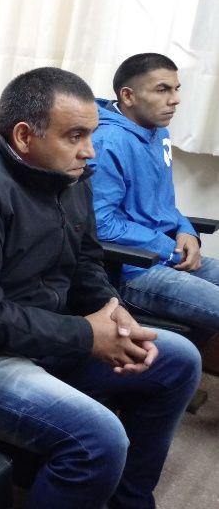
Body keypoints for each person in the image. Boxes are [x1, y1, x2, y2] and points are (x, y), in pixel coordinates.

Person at [0, 67, 201, 509]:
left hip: (46, 338)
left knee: (179, 362)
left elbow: (86, 262)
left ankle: (129, 501)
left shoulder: (71, 179)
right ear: (24, 136)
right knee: (99, 438)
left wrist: (112, 309)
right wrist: (85, 335)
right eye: (75, 136)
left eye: (91, 134)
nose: (90, 150)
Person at [89, 52, 219, 340]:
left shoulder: (158, 132)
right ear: (128, 96)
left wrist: (186, 230)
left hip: (167, 254)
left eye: (176, 89)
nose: (175, 99)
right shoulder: (107, 142)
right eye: (162, 90)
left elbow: (161, 202)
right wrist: (168, 247)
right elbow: (100, 223)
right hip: (133, 269)